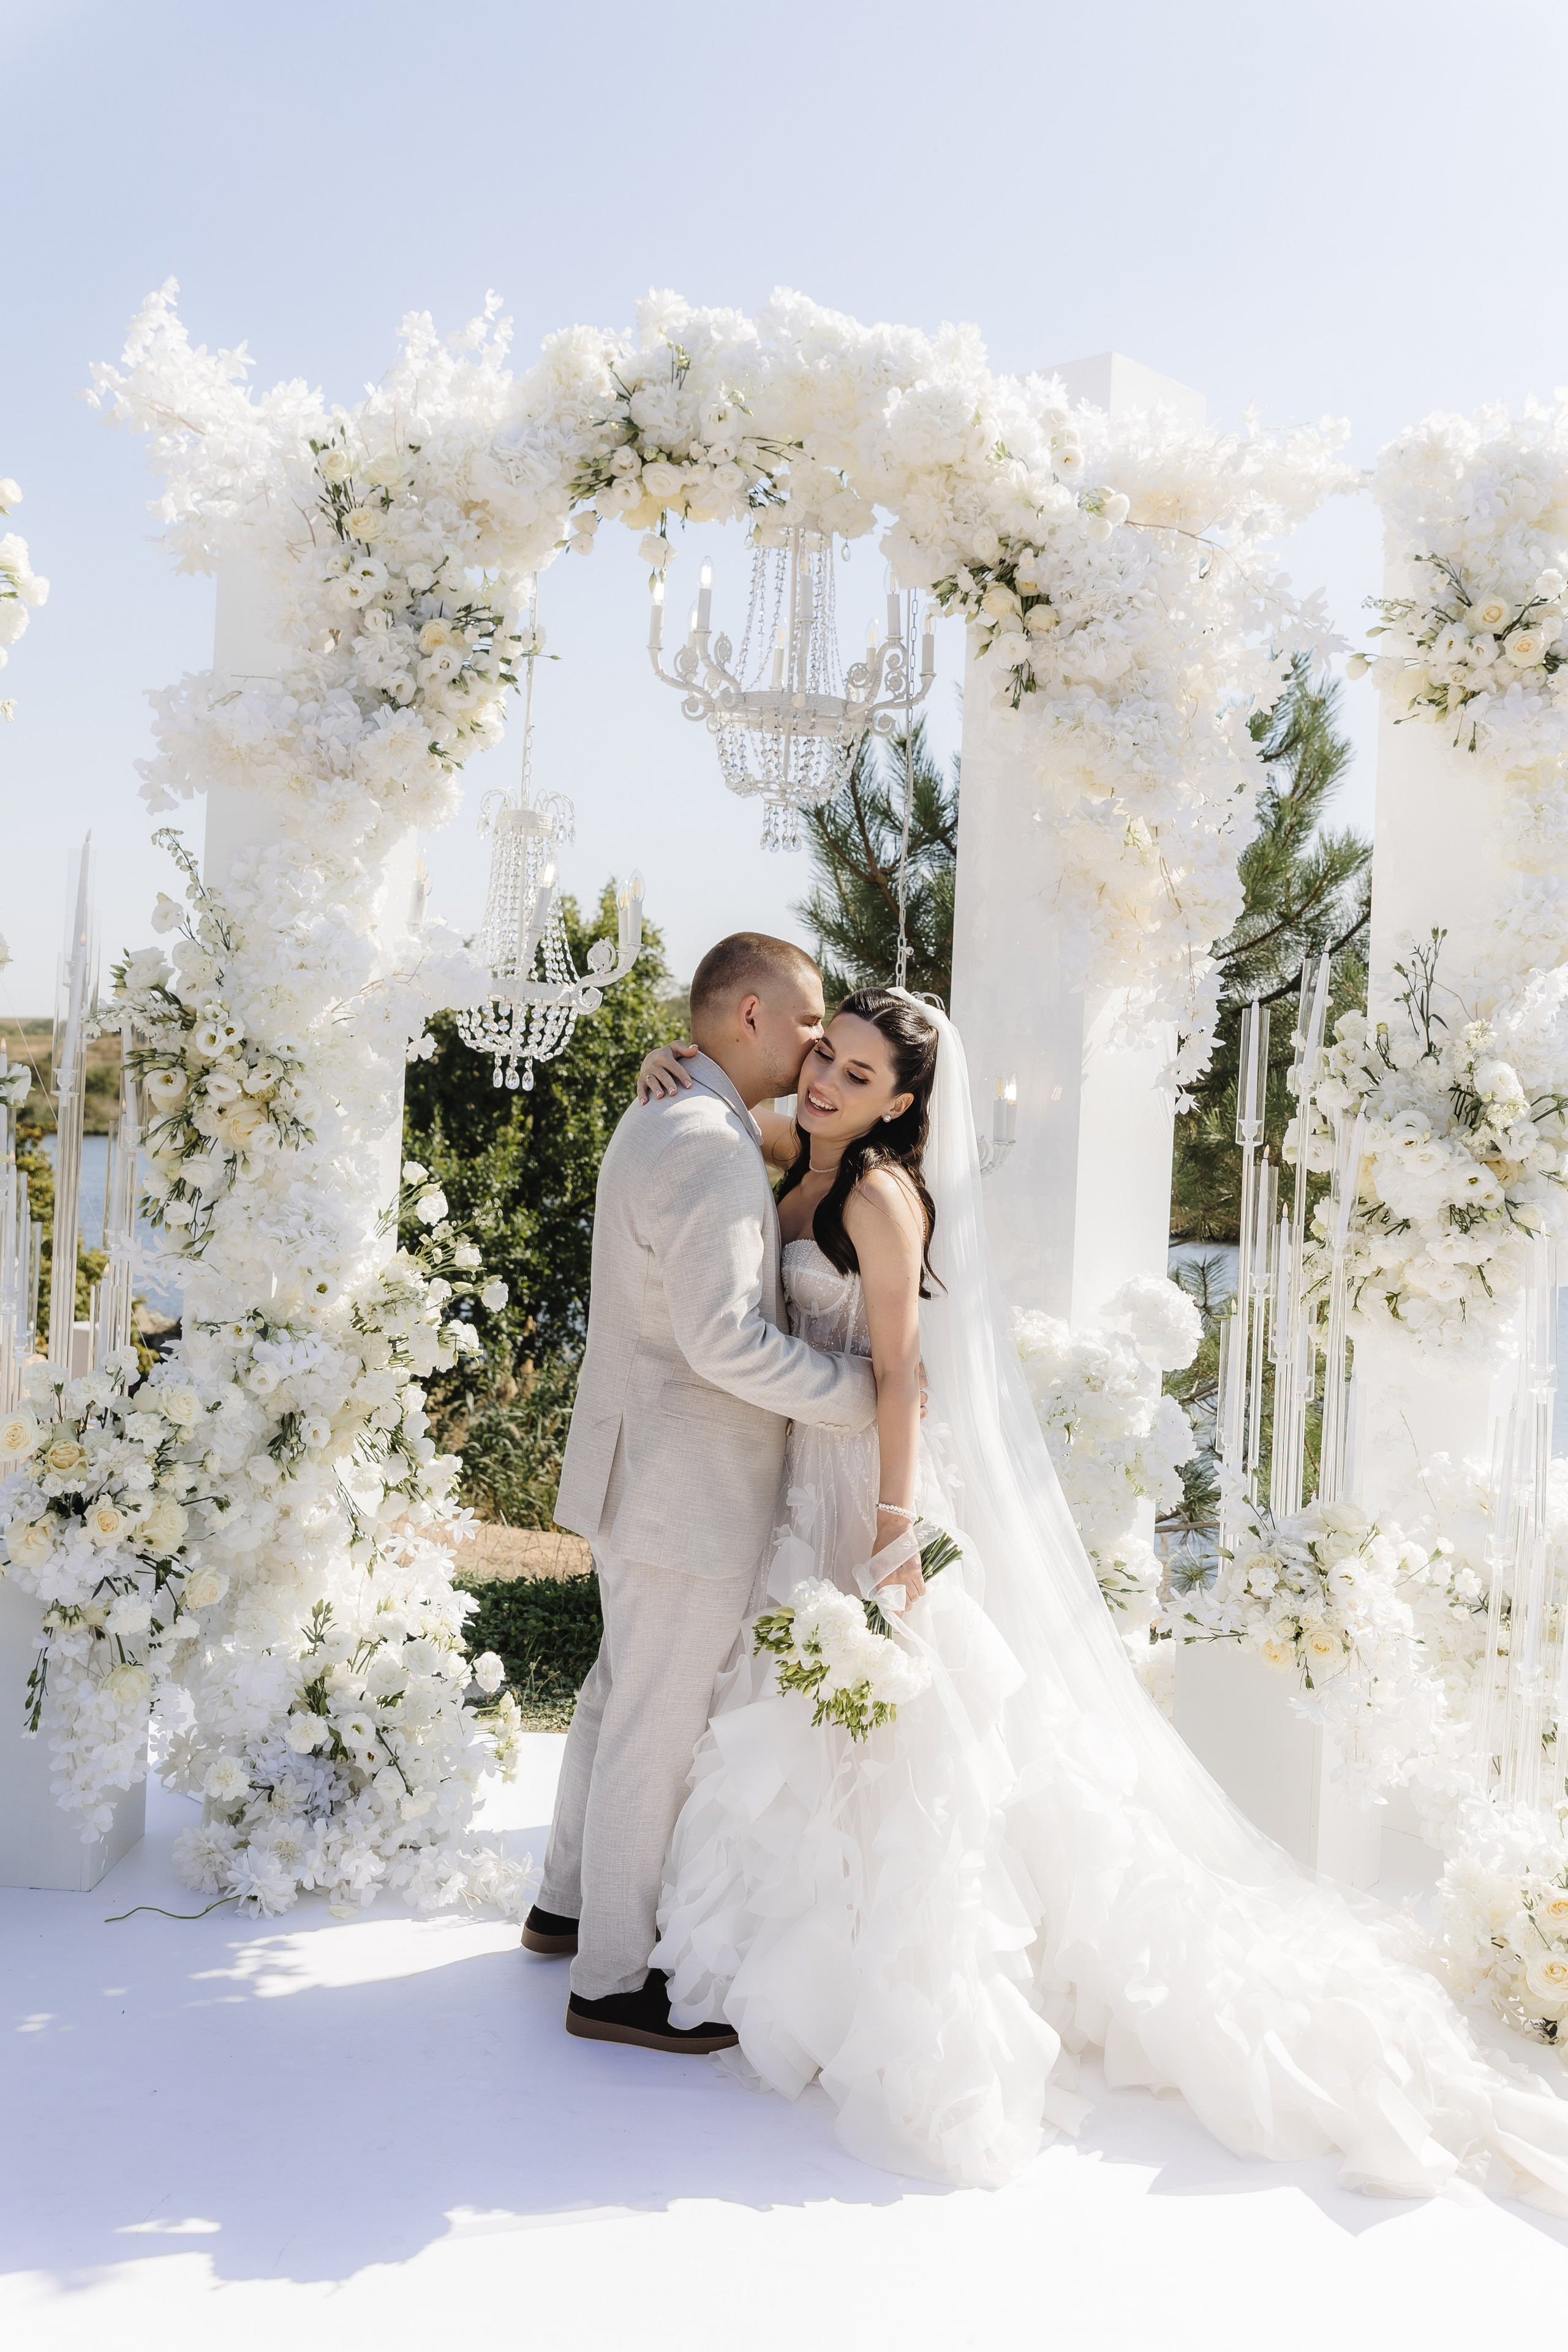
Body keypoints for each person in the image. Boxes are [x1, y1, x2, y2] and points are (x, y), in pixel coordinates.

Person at [628, 988, 1568, 2208]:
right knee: (797, 1726)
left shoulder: (875, 1196)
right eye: (825, 1061)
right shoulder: (787, 1150)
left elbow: (903, 1376)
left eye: (859, 1078)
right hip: (793, 1485)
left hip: (868, 1488)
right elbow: (725, 1109)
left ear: (901, 1103)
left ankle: (892, 1985)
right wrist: (680, 1066)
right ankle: (789, 1952)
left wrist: (895, 1532)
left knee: (917, 1749)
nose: (826, 1086)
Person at [521, 933, 881, 2054]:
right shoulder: (707, 1142)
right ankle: (613, 1979)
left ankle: (564, 1903)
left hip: (648, 1470)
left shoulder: (685, 1114)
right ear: (751, 1018)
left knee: (617, 1692)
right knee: (653, 1722)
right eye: (811, 1018)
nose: (823, 1039)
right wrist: (851, 1396)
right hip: (684, 1482)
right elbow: (724, 1342)